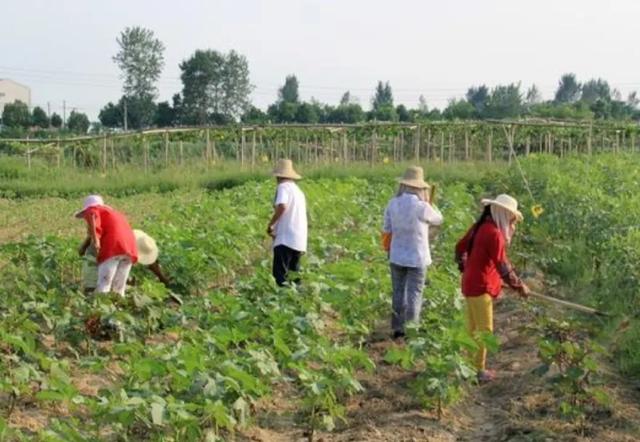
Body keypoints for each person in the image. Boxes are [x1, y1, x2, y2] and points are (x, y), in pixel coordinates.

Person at [455, 194, 530, 383]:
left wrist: (467, 267)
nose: (513, 222)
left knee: (472, 329)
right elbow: (502, 264)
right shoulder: (493, 233)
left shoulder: (480, 226)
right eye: (512, 218)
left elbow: (459, 248)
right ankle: (478, 371)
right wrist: (519, 285)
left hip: (471, 283)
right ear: (504, 214)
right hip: (481, 287)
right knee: (484, 331)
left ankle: (467, 367)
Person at [382, 166, 443, 339]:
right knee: (415, 293)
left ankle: (398, 329)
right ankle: (411, 329)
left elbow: (386, 227)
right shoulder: (422, 206)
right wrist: (432, 205)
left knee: (398, 291)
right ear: (419, 187)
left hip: (397, 254)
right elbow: (438, 219)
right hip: (417, 256)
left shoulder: (393, 203)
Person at [75, 195, 138, 297]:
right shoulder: (113, 214)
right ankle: (118, 309)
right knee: (119, 288)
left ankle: (100, 310)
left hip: (113, 248)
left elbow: (91, 215)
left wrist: (96, 241)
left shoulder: (93, 210)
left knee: (104, 285)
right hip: (130, 249)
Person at [78, 229, 170, 294]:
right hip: (95, 256)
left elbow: (153, 265)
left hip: (105, 253)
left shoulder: (137, 240)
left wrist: (163, 279)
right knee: (92, 290)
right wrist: (84, 247)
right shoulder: (119, 246)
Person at [266, 159, 307, 286]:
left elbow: (282, 206)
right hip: (299, 240)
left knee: (281, 277)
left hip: (286, 239)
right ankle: (297, 303)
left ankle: (282, 303)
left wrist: (271, 224)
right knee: (294, 276)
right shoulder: (298, 191)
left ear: (278, 176)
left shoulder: (283, 187)